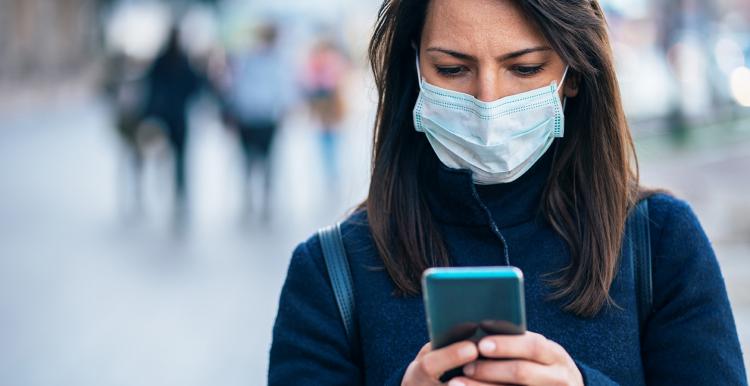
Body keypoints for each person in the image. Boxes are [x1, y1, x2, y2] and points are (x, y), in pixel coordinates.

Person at [269, 1, 747, 385]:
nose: (488, 101)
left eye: (525, 68)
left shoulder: (660, 241)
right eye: (453, 69)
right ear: (414, 68)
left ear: (573, 74)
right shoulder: (331, 272)